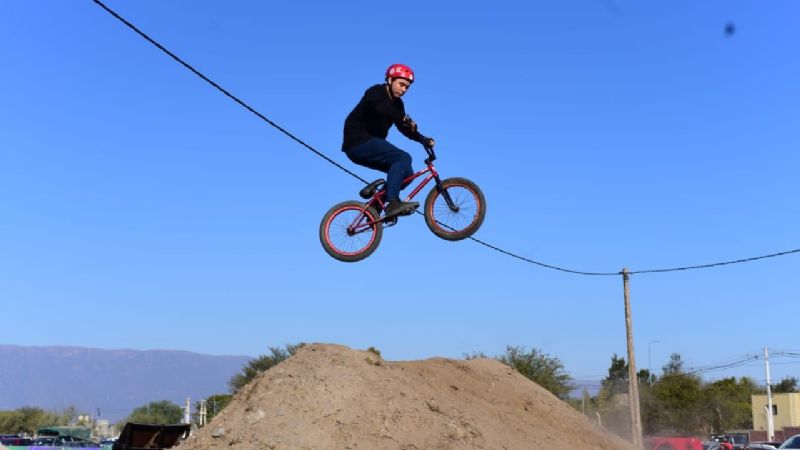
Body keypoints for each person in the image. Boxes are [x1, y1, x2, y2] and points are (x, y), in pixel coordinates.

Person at [342, 63, 435, 219]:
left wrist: (422, 139)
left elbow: (403, 127)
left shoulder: (398, 104)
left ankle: (374, 207)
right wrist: (401, 117)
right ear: (390, 80)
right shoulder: (376, 92)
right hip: (357, 140)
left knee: (406, 175)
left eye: (407, 87)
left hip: (370, 144)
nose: (404, 90)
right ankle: (392, 202)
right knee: (403, 157)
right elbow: (380, 108)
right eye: (401, 84)